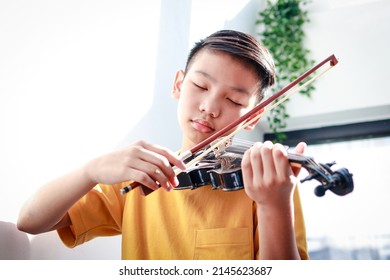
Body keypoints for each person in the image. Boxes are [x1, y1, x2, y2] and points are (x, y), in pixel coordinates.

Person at [17, 30, 309, 260]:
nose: (210, 107)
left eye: (234, 101)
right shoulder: (142, 177)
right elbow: (30, 220)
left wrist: (274, 206)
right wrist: (92, 170)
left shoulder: (269, 184)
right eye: (201, 86)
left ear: (253, 116)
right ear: (178, 85)